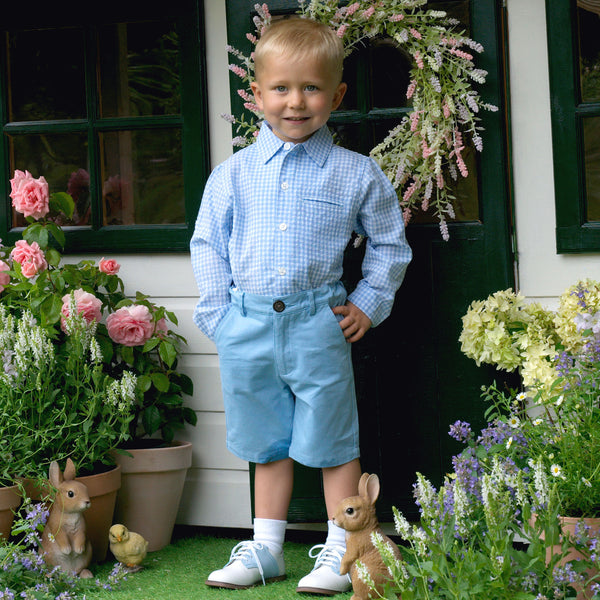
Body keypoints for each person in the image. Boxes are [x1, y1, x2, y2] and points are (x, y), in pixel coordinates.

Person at [190, 16, 412, 595]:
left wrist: (369, 302)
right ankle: (266, 550)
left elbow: (390, 242)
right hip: (249, 322)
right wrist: (219, 316)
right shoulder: (231, 175)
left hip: (320, 323)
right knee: (265, 440)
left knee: (333, 438)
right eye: (282, 88)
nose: (296, 102)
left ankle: (342, 550)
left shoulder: (355, 172)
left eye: (311, 88)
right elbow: (208, 245)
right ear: (256, 94)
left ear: (336, 95)